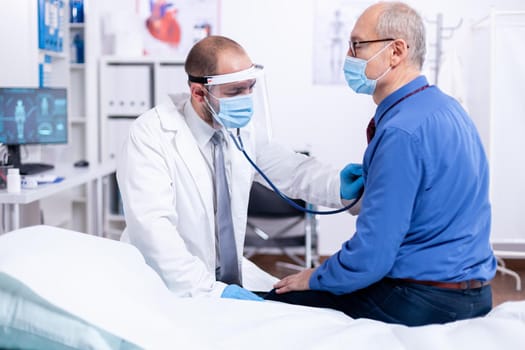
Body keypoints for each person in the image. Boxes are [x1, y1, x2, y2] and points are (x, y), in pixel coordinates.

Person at [265, 1, 496, 326]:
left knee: (274, 302)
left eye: (357, 45)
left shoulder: (401, 131)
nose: (348, 56)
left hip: (425, 299)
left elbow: (371, 257)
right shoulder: (448, 109)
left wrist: (315, 276)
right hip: (474, 293)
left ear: (396, 51)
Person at [117, 35, 363, 301]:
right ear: (198, 93)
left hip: (223, 276)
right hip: (169, 283)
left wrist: (338, 185)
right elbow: (154, 232)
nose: (246, 100)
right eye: (234, 91)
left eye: (250, 88)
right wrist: (211, 292)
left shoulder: (241, 131)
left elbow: (291, 170)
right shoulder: (151, 135)